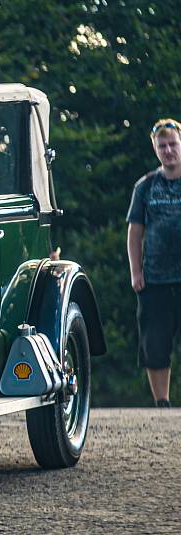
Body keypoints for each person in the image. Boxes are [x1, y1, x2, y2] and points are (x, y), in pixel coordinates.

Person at [126, 117, 181, 408]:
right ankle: (162, 403)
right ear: (155, 149)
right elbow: (135, 232)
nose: (169, 150)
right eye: (163, 146)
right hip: (155, 279)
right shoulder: (145, 187)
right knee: (155, 344)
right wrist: (136, 272)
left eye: (173, 144)